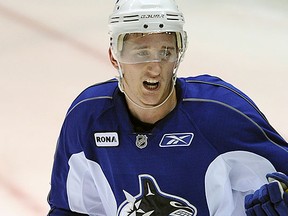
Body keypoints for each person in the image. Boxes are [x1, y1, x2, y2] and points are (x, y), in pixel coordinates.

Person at [47, 0, 288, 215]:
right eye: (141, 53)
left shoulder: (220, 113)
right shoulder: (88, 118)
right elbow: (70, 209)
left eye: (165, 52)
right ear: (114, 57)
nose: (155, 68)